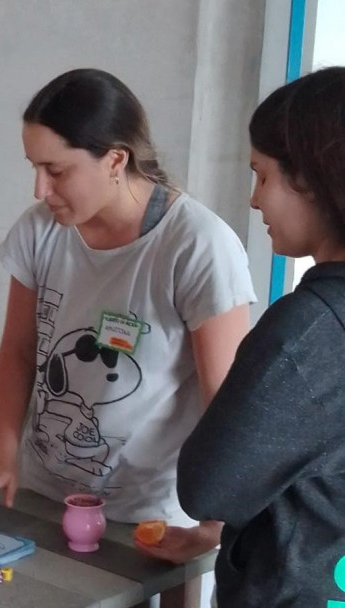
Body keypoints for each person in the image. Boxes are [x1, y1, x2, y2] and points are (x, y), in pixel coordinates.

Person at [0, 68, 255, 568]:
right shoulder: (39, 231)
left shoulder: (198, 245)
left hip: (151, 514)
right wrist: (4, 449)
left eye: (57, 170)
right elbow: (21, 349)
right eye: (33, 167)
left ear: (115, 159)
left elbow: (226, 401)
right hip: (49, 495)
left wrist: (216, 521)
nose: (39, 189)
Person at [178, 67, 345, 608]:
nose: (254, 201)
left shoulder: (310, 330)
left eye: (263, 175)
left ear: (315, 178)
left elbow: (208, 488)